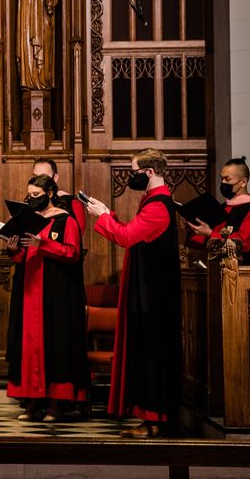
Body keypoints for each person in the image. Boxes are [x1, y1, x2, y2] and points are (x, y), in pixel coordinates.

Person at [84, 148, 182, 437]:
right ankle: (149, 418)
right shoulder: (153, 201)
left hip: (154, 297)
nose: (132, 176)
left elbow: (126, 236)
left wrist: (102, 216)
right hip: (148, 292)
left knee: (152, 355)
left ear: (149, 173)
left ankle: (154, 420)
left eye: (134, 171)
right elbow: (133, 231)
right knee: (146, 354)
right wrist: (109, 213)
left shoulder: (159, 206)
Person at [4, 175, 88, 422]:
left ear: (50, 193)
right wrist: (13, 249)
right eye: (29, 195)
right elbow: (22, 256)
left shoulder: (66, 221)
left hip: (56, 292)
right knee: (30, 346)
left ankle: (56, 404)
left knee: (56, 344)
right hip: (30, 290)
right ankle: (33, 402)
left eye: (37, 196)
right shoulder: (29, 220)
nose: (32, 200)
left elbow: (73, 254)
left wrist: (44, 245)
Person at [185, 156, 250, 265]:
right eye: (222, 178)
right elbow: (203, 239)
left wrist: (210, 233)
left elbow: (243, 243)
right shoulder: (224, 207)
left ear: (243, 182)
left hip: (245, 273)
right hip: (219, 270)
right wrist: (193, 227)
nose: (223, 182)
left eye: (227, 179)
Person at [32, 157, 86, 234]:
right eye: (35, 177)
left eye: (43, 177)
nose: (37, 182)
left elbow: (76, 238)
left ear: (55, 178)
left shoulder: (73, 203)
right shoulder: (28, 202)